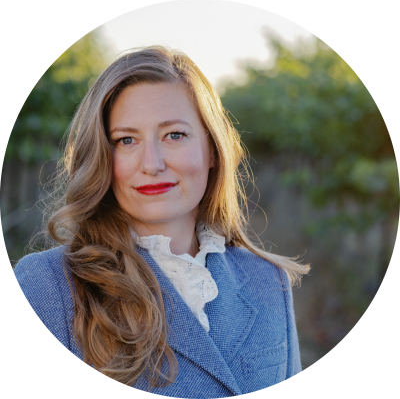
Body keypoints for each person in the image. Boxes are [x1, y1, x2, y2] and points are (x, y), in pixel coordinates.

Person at [14, 46, 309, 397]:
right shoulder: (47, 286)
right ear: (103, 157)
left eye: (174, 135)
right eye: (126, 140)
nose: (151, 163)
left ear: (212, 148)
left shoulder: (268, 280)